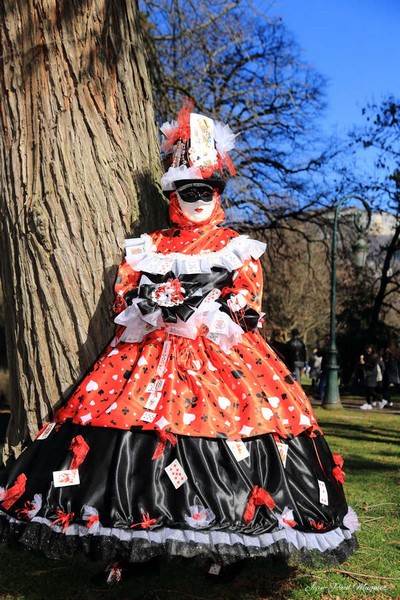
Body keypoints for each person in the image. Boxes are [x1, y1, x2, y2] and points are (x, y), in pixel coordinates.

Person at [0, 101, 358, 583]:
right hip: (147, 359)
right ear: (172, 192)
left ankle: (228, 542)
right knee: (131, 434)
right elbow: (126, 294)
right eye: (187, 189)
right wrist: (154, 303)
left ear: (218, 191)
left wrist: (211, 308)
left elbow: (246, 302)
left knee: (229, 430)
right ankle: (125, 538)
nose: (197, 198)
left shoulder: (236, 246)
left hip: (221, 359)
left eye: (206, 189)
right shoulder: (149, 247)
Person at [359, 344, 380, 410]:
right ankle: (368, 403)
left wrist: (363, 363)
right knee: (367, 389)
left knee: (369, 388)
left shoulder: (374, 356)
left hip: (371, 374)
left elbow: (372, 366)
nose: (368, 350)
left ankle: (381, 399)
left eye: (369, 349)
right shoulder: (367, 356)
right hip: (367, 374)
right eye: (367, 349)